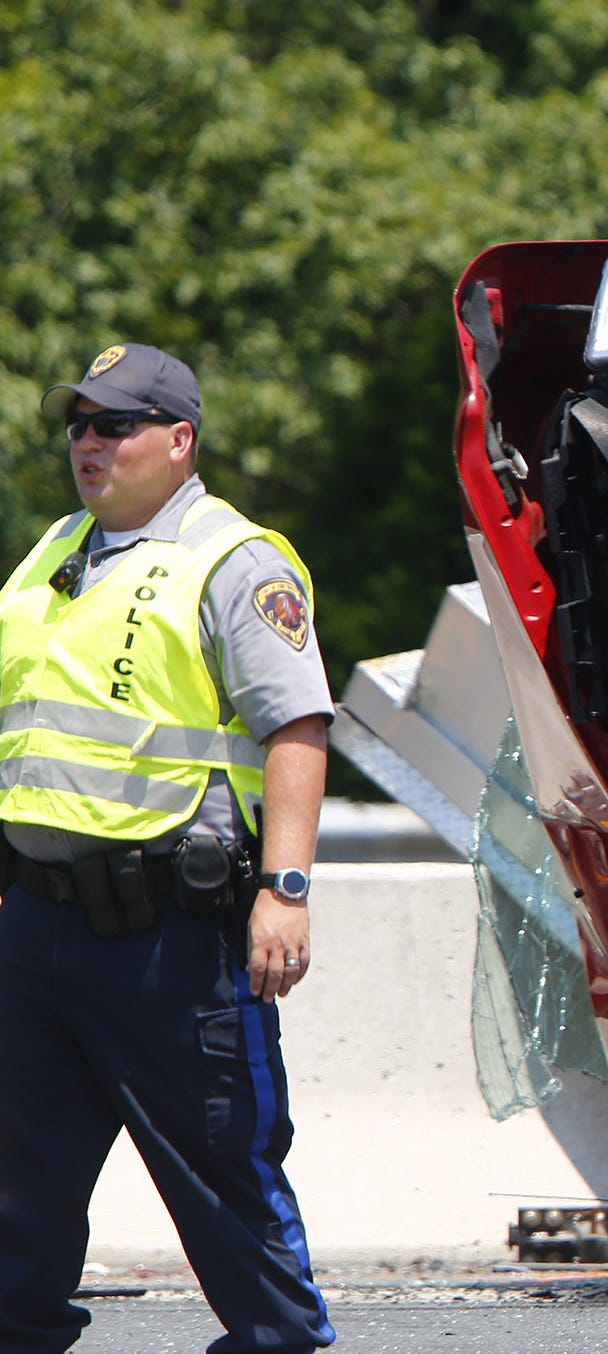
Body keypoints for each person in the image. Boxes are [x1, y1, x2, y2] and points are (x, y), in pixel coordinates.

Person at [0, 344, 336, 1353]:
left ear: (179, 440)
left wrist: (285, 888)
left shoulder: (236, 561)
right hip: (39, 922)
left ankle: (277, 1340)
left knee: (224, 1165)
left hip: (170, 936)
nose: (89, 444)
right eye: (79, 425)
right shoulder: (54, 549)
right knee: (19, 1178)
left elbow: (297, 728)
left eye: (116, 424)